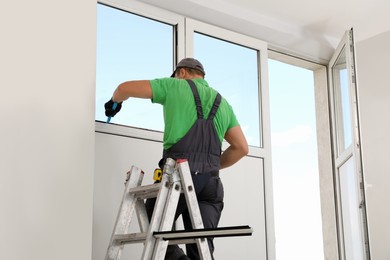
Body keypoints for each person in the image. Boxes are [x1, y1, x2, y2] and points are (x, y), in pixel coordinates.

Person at [104, 58, 248, 259]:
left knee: (153, 226)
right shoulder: (223, 103)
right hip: (211, 185)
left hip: (179, 177)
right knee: (202, 250)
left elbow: (123, 88)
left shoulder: (175, 86)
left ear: (181, 72)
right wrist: (211, 166)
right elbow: (241, 148)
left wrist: (114, 102)